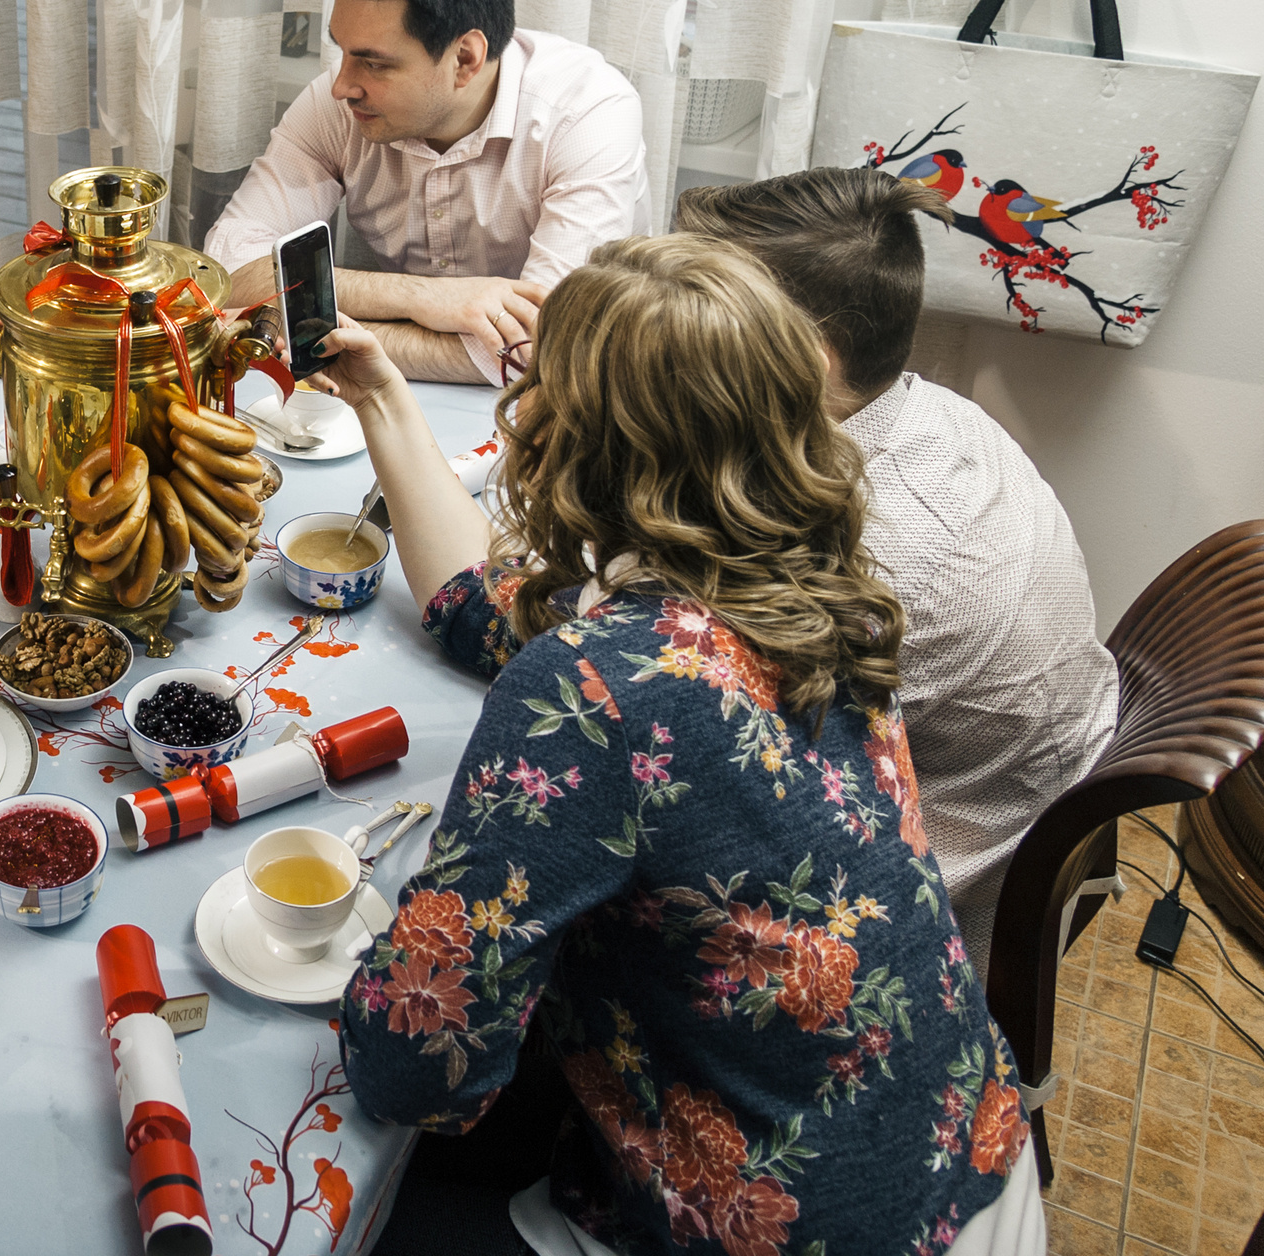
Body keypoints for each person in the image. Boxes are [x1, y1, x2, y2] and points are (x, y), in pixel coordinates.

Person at [321, 237, 1045, 1256]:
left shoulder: (591, 688)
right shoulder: (815, 590)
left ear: (562, 441)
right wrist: (383, 398)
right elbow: (484, 612)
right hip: (968, 1172)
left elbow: (417, 1067)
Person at [675, 167, 1120, 978]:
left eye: (699, 310)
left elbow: (698, 741)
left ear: (803, 359)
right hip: (1008, 794)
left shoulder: (871, 554)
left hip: (939, 883)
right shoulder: (929, 412)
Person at [205, 0, 645, 385]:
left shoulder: (588, 115)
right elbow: (225, 271)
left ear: (464, 58)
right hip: (386, 392)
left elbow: (541, 348)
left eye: (374, 63)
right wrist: (418, 296)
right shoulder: (341, 104)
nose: (341, 85)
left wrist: (316, 332)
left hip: (562, 408)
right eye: (342, 51)